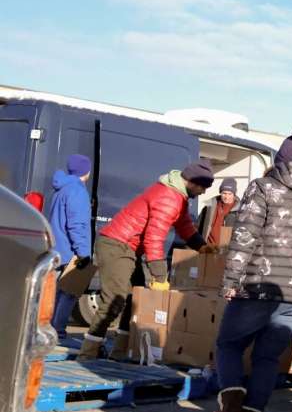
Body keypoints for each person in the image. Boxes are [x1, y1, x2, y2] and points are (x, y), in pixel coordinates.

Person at [208, 126, 292, 412]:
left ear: (279, 160)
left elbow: (244, 237)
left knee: (229, 345)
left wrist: (231, 281)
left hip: (259, 287)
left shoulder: (263, 188)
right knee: (266, 359)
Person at [78, 160, 215, 361]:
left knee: (136, 298)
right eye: (203, 187)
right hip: (117, 244)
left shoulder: (178, 196)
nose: (203, 192)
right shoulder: (168, 198)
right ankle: (88, 353)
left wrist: (201, 246)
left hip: (128, 247)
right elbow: (154, 238)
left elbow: (184, 225)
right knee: (115, 299)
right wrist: (160, 276)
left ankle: (122, 350)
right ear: (193, 182)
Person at [48, 154, 93, 340]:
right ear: (86, 172)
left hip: (57, 246)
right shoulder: (77, 192)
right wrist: (83, 253)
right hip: (70, 250)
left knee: (56, 292)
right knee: (69, 292)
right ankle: (56, 330)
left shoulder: (61, 188)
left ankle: (49, 328)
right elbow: (77, 225)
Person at [197, 177, 238, 245]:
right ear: (220, 193)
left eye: (230, 194)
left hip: (226, 250)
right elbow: (198, 225)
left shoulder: (239, 210)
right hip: (208, 247)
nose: (226, 197)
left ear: (234, 194)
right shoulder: (209, 206)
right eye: (224, 193)